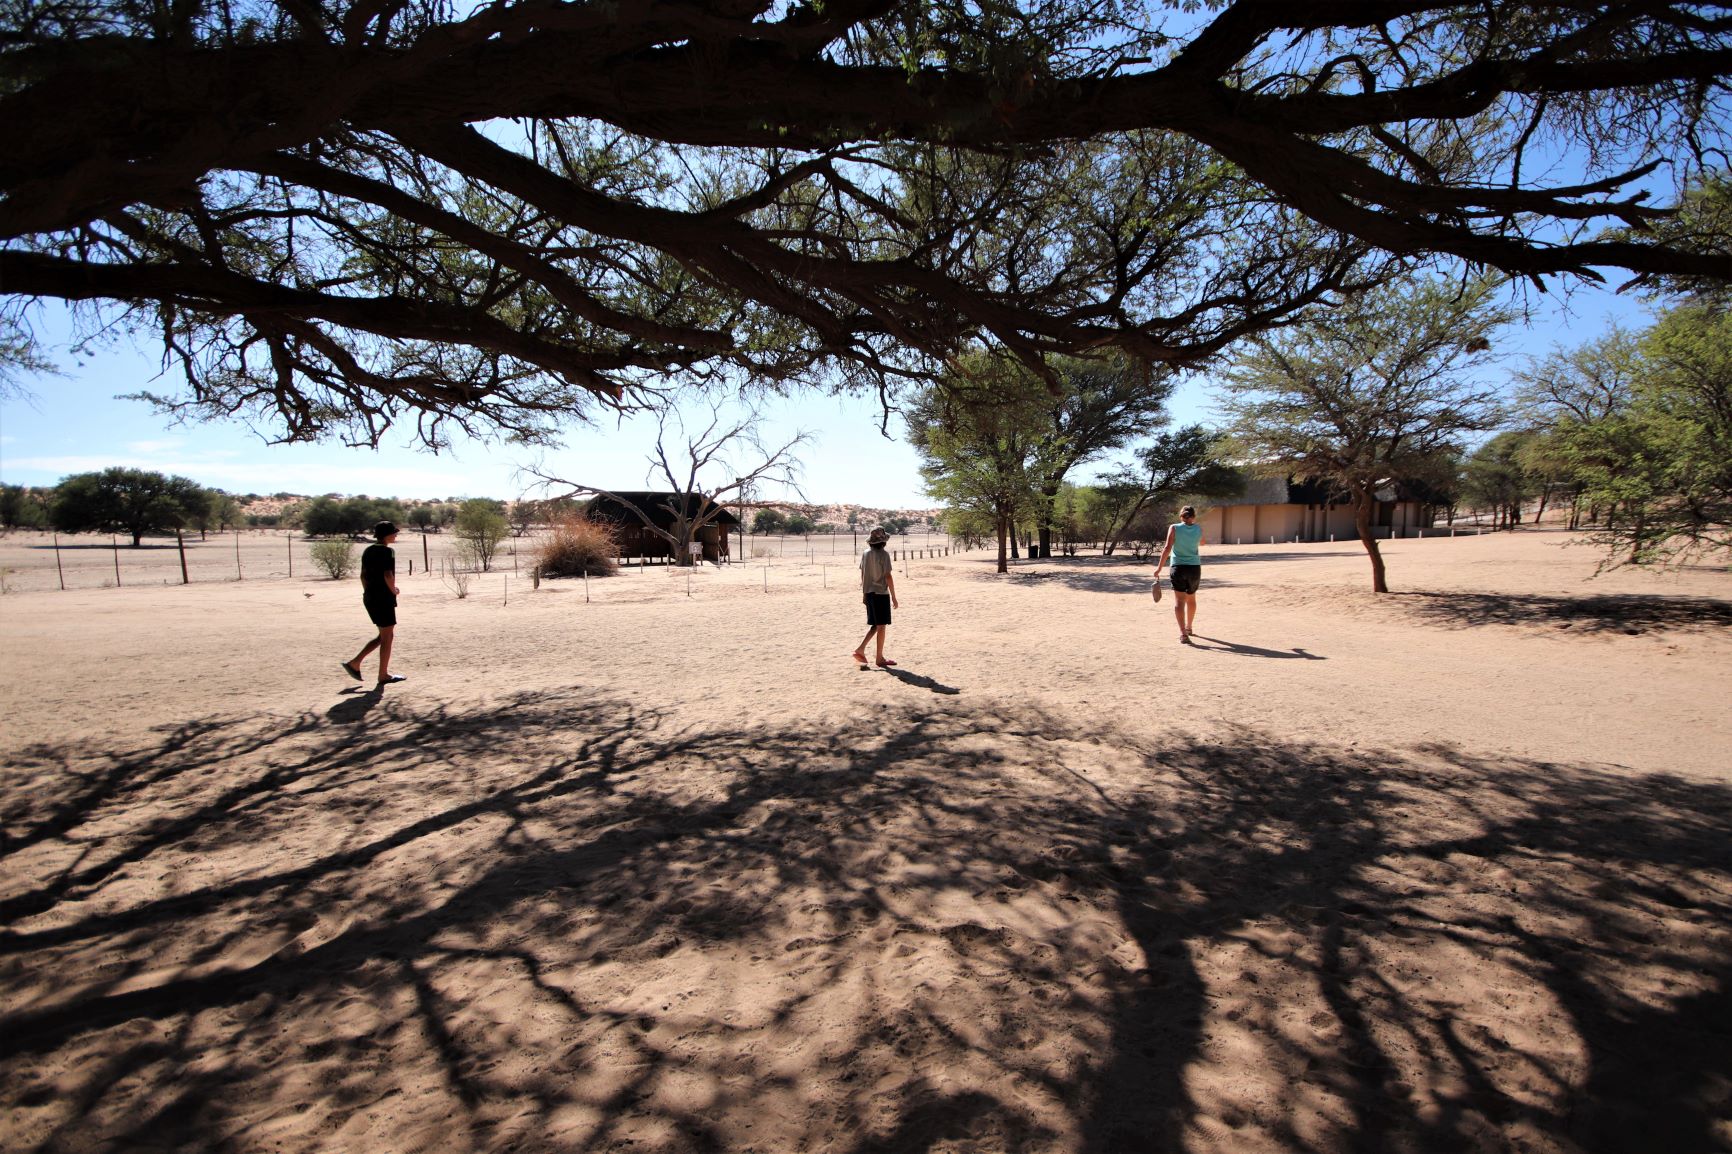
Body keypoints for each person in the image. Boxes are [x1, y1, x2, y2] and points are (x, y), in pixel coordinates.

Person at [341, 520, 407, 686]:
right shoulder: (387, 552)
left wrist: (368, 592)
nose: (396, 535)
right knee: (387, 636)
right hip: (383, 598)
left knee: (385, 635)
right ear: (387, 535)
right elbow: (388, 575)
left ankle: (355, 663)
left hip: (370, 597)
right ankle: (382, 674)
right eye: (394, 533)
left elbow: (363, 576)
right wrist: (394, 591)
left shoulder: (368, 551)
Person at [1153, 505, 1205, 643]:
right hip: (1194, 568)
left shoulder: (1174, 528)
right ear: (1194, 516)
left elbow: (1167, 548)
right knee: (1191, 599)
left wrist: (1159, 568)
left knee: (1179, 601)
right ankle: (1189, 627)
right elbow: (1203, 542)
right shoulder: (1198, 528)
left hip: (1178, 567)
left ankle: (1183, 634)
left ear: (1181, 515)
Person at [852, 527, 901, 668]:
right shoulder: (883, 555)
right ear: (883, 542)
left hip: (869, 593)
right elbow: (888, 576)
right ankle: (878, 658)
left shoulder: (865, 553)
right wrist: (894, 597)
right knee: (881, 626)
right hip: (880, 594)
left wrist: (863, 594)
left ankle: (861, 650)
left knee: (876, 625)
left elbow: (863, 575)